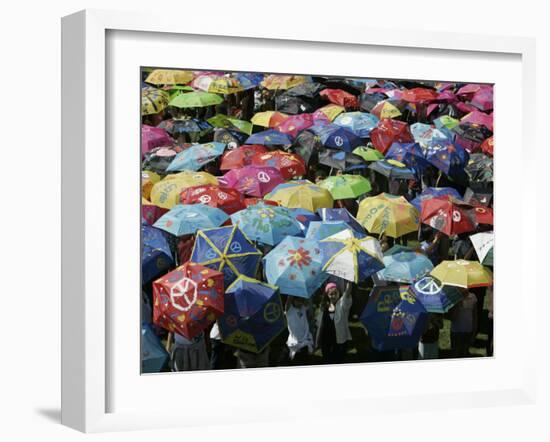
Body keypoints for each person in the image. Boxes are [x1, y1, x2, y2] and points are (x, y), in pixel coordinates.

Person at [315, 281, 352, 364]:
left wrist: (349, 282)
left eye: (336, 293)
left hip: (339, 338)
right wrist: (318, 339)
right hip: (326, 339)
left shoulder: (342, 304)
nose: (334, 296)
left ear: (339, 293)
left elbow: (348, 292)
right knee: (327, 358)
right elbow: (320, 325)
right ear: (327, 295)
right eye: (331, 294)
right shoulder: (324, 306)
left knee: (338, 358)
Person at [284, 296, 314, 365]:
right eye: (297, 300)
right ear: (293, 300)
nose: (300, 302)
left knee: (305, 361)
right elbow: (288, 300)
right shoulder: (289, 310)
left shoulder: (303, 308)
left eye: (301, 301)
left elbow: (306, 298)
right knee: (296, 362)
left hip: (305, 340)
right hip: (295, 341)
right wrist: (292, 291)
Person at [449, 290, 478, 358]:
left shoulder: (473, 297)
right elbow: (451, 317)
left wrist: (474, 331)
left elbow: (475, 316)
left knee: (465, 353)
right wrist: (457, 304)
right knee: (455, 353)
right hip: (456, 331)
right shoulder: (454, 297)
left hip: (468, 330)